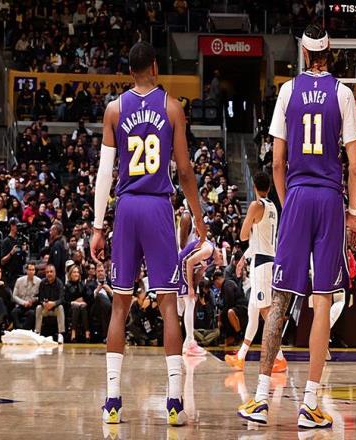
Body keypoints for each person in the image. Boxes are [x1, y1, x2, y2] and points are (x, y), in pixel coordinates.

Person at [237, 24, 356, 428]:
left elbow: (277, 161)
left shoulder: (288, 91)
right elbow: (355, 167)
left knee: (280, 299)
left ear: (304, 53)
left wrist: (287, 201)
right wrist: (354, 212)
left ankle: (260, 399)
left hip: (296, 196)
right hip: (329, 199)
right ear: (329, 52)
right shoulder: (343, 93)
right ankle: (309, 404)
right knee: (322, 300)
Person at [90, 41, 206, 426]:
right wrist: (198, 216)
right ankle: (174, 401)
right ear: (155, 67)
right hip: (158, 207)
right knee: (169, 304)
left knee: (120, 305)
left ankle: (112, 401)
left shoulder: (114, 109)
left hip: (126, 208)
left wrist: (97, 226)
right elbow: (185, 170)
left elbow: (104, 173)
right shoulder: (172, 108)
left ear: (130, 70)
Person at [225, 171, 287, 373]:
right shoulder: (273, 207)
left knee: (266, 312)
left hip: (261, 265)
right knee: (253, 313)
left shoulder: (255, 205)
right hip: (266, 261)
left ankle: (280, 358)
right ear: (269, 188)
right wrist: (244, 257)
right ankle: (241, 357)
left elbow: (243, 236)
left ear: (254, 187)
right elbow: (259, 240)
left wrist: (249, 223)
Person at [177, 238, 222, 356]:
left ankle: (187, 343)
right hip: (182, 265)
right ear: (220, 253)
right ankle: (190, 342)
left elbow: (200, 273)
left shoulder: (211, 259)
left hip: (187, 269)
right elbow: (189, 262)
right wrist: (190, 287)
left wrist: (195, 288)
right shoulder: (209, 250)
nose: (220, 263)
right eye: (221, 260)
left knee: (186, 306)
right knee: (189, 303)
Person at [35, 264, 65, 344]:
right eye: (47, 272)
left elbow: (62, 299)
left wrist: (54, 303)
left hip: (55, 309)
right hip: (45, 309)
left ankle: (61, 334)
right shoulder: (42, 283)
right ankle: (37, 333)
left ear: (55, 273)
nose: (49, 274)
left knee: (60, 307)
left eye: (51, 272)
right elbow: (40, 299)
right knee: (38, 308)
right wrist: (44, 304)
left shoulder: (59, 283)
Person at [11, 262, 40, 330]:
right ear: (26, 270)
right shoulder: (19, 280)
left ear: (35, 271)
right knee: (14, 312)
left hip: (32, 306)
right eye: (29, 270)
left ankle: (24, 329)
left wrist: (33, 301)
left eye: (33, 270)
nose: (31, 272)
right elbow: (14, 296)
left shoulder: (39, 281)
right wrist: (23, 303)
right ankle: (19, 329)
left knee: (32, 313)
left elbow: (40, 296)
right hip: (21, 305)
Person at [65, 265, 90, 343]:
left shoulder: (82, 284)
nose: (76, 274)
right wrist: (73, 302)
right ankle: (73, 332)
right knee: (76, 307)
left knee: (82, 306)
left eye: (77, 272)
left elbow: (89, 296)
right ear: (70, 274)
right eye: (74, 272)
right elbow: (64, 300)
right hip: (70, 308)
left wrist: (84, 301)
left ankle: (87, 332)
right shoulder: (67, 285)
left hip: (82, 308)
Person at [1, 217, 27, 289]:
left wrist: (24, 252)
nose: (18, 228)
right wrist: (11, 253)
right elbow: (2, 261)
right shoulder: (6, 241)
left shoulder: (20, 240)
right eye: (17, 225)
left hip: (20, 273)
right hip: (10, 275)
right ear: (12, 226)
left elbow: (23, 260)